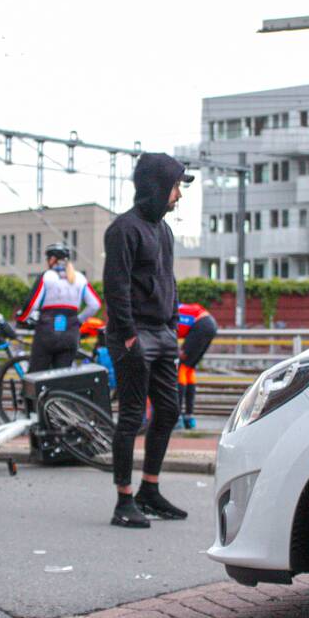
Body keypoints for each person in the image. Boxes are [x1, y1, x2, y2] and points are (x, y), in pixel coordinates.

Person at [103, 152, 191, 528]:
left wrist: (171, 324)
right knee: (132, 418)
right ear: (157, 187)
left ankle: (149, 491)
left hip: (162, 332)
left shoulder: (164, 230)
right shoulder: (124, 229)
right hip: (133, 334)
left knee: (169, 411)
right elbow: (116, 288)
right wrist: (127, 339)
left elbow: (167, 280)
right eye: (175, 187)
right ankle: (123, 501)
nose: (178, 196)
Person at [16, 242, 102, 373]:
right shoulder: (79, 278)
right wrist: (78, 320)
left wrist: (21, 318)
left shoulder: (47, 276)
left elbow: (31, 304)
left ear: (52, 259)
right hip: (70, 335)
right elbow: (95, 304)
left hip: (46, 334)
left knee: (36, 377)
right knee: (61, 379)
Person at [176, 302, 218, 430]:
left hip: (201, 324)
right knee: (188, 370)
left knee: (181, 368)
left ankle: (176, 417)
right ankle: (188, 416)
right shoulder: (172, 306)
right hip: (210, 323)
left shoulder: (163, 313)